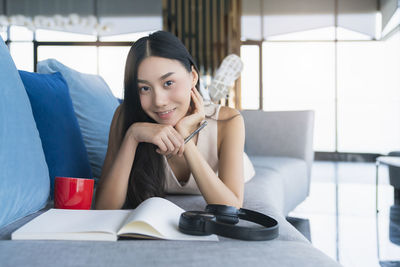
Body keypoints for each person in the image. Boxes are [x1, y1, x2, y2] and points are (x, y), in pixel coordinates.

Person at [94, 30, 245, 210]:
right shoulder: (125, 116)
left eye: (168, 83)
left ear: (193, 77)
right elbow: (104, 208)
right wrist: (132, 136)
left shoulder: (229, 121)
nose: (159, 101)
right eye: (144, 88)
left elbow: (233, 207)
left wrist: (185, 136)